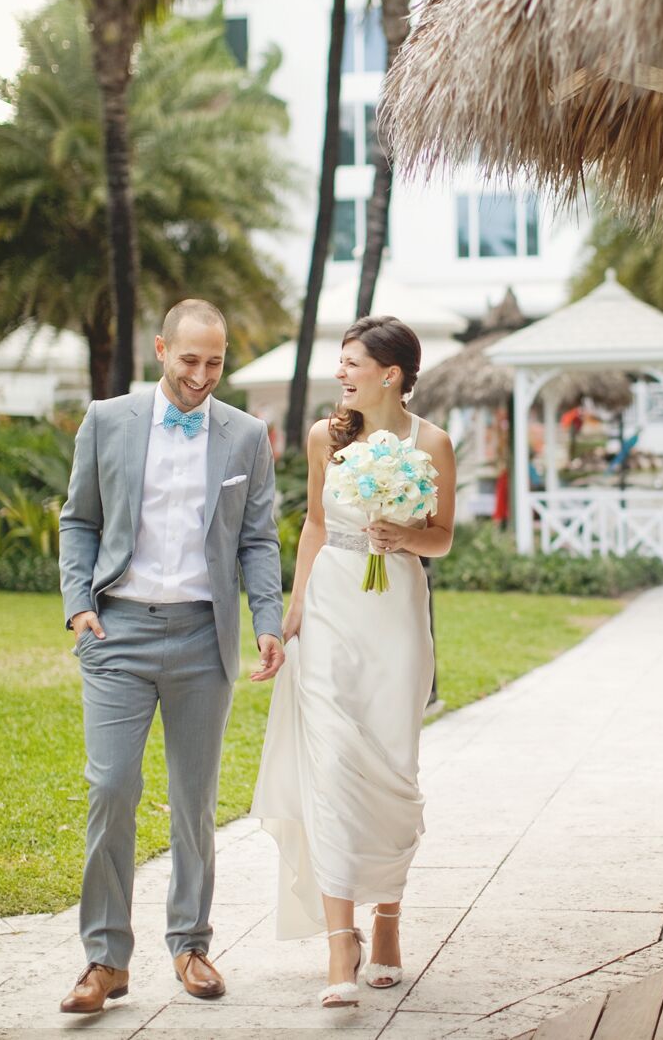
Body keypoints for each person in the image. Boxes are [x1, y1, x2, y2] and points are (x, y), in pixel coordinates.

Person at [57, 299, 285, 1014]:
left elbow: (258, 538)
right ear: (161, 349)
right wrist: (78, 602)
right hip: (116, 633)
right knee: (111, 790)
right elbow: (79, 519)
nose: (202, 376)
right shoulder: (108, 420)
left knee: (193, 802)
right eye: (190, 360)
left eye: (215, 363)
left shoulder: (246, 435)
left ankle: (190, 945)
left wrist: (266, 619)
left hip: (199, 637)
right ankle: (104, 961)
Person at [251, 315, 456, 1009]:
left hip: (397, 615)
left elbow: (443, 540)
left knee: (395, 766)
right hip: (333, 606)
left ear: (390, 372)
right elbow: (314, 523)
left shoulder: (431, 443)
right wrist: (295, 607)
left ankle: (388, 918)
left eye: (351, 363)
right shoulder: (323, 437)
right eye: (340, 363)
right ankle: (340, 942)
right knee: (332, 763)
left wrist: (403, 533)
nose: (340, 374)